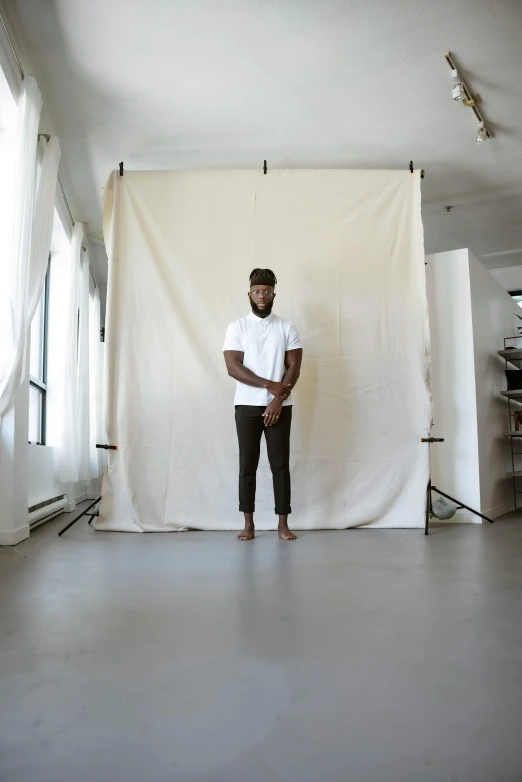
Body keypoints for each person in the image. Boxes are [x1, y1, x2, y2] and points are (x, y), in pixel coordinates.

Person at [223, 269, 303, 541]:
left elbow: (294, 367)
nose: (261, 296)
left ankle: (283, 523)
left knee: (279, 465)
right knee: (248, 464)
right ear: (249, 294)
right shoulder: (237, 327)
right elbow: (234, 368)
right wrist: (270, 386)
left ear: (273, 295)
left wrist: (277, 400)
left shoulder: (286, 327)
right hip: (246, 406)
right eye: (257, 291)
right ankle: (249, 524)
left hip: (280, 406)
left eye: (266, 292)